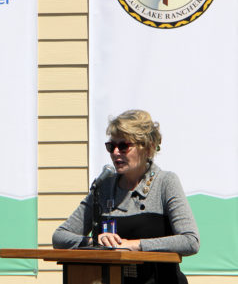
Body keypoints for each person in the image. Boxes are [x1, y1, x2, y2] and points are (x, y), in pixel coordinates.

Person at [52, 110, 199, 284]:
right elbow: (59, 236)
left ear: (148, 147)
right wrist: (94, 242)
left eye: (123, 146)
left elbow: (190, 240)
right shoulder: (103, 186)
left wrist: (135, 245)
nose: (115, 152)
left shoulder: (165, 182)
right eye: (110, 146)